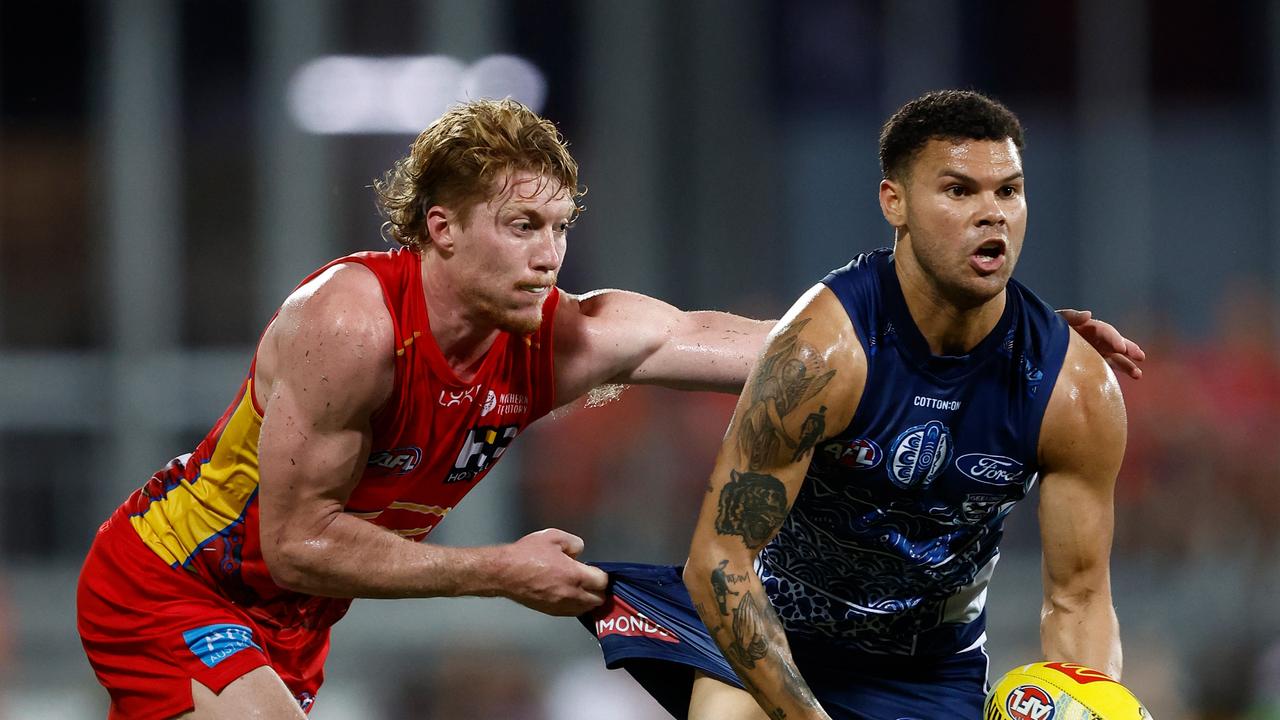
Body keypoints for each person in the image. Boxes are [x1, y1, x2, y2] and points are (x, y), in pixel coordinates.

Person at [75, 97, 1139, 719]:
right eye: (518, 224)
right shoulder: (350, 324)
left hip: (292, 620)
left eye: (558, 225)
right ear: (439, 229)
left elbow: (784, 352)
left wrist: (993, 331)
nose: (547, 253)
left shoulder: (565, 339)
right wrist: (499, 570)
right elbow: (296, 542)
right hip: (169, 582)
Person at [581, 90, 1130, 720]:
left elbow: (1079, 597)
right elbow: (720, 562)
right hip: (772, 634)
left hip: (928, 667)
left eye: (1008, 191)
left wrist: (1089, 703)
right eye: (959, 191)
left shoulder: (1074, 389)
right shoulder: (820, 355)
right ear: (893, 202)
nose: (993, 214)